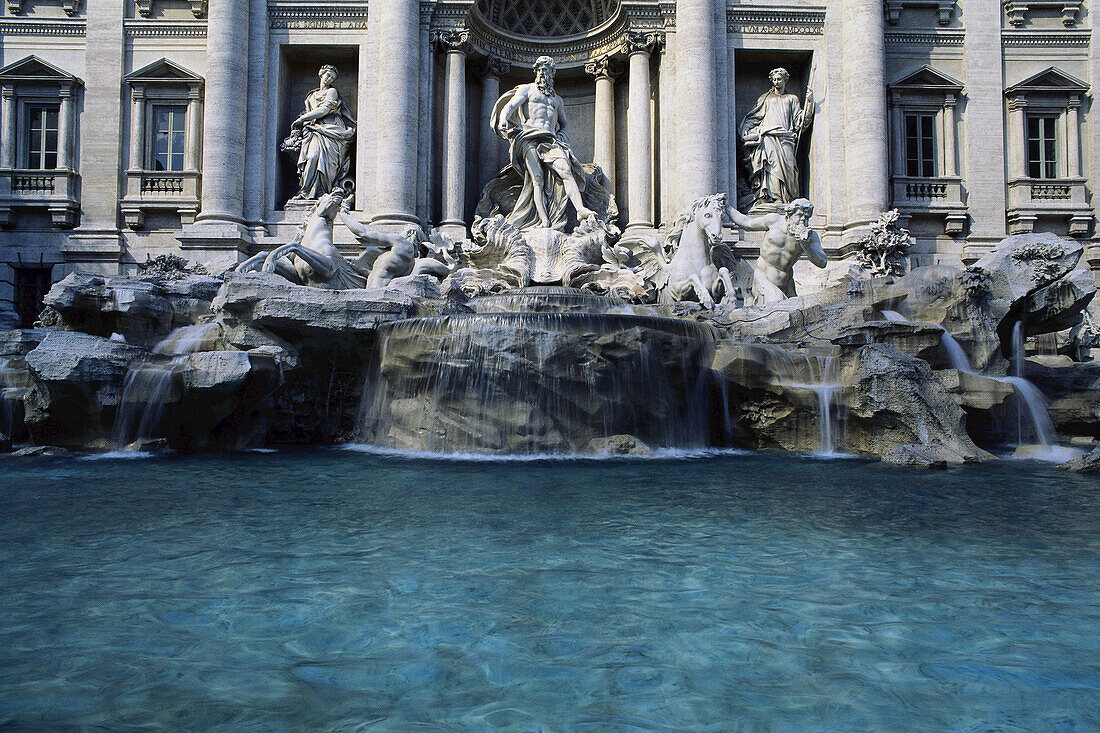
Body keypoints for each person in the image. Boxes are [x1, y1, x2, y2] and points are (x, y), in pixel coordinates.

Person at [491, 55, 595, 231]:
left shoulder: (557, 100)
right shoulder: (527, 90)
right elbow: (510, 106)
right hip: (529, 137)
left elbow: (565, 123)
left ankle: (580, 209)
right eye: (539, 70)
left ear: (552, 73)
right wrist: (503, 120)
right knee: (537, 179)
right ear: (535, 72)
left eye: (546, 70)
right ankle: (544, 221)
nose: (542, 73)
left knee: (566, 170)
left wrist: (561, 134)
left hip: (550, 139)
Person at [725, 198, 827, 304]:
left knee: (798, 311)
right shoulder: (774, 221)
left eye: (806, 217)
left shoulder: (810, 236)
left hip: (786, 284)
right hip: (764, 278)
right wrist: (727, 208)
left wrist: (806, 245)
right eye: (800, 215)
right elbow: (747, 223)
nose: (803, 220)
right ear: (789, 215)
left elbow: (822, 262)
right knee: (777, 302)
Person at [739, 67, 812, 210]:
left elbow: (800, 121)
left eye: (779, 79)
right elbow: (755, 117)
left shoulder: (792, 99)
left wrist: (809, 104)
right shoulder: (766, 98)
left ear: (785, 80)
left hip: (786, 138)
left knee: (789, 168)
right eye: (774, 80)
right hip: (768, 137)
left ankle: (787, 198)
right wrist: (746, 129)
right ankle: (772, 197)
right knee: (771, 168)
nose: (776, 82)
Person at [286, 65, 356, 200]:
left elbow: (324, 110)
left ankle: (324, 192)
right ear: (321, 74)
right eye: (328, 75)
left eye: (333, 78)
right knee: (311, 157)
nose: (329, 79)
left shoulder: (332, 92)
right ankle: (306, 191)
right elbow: (309, 111)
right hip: (313, 130)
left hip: (330, 129)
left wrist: (301, 119)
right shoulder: (311, 96)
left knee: (325, 161)